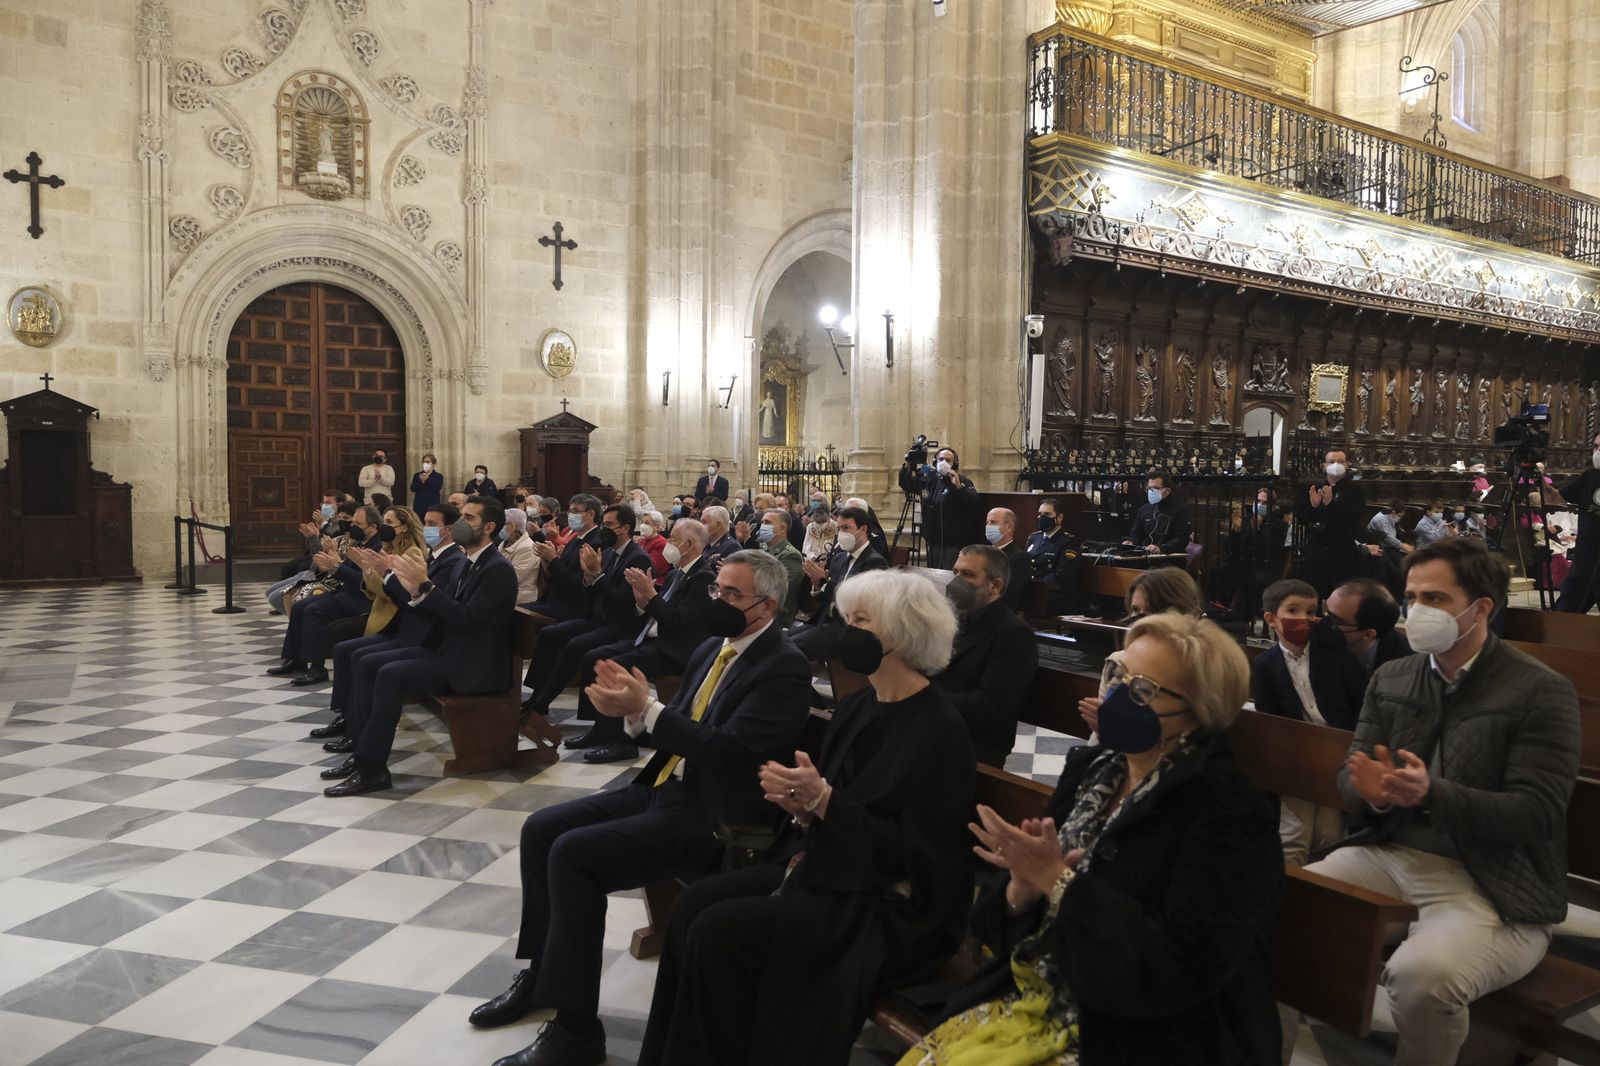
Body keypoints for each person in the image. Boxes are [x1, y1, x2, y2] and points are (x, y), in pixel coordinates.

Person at [470, 551, 811, 1066]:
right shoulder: (715, 648)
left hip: (718, 818)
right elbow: (678, 721)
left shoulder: (783, 666)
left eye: (731, 595)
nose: (717, 600)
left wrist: (646, 709)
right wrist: (635, 716)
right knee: (541, 828)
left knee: (575, 855)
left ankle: (577, 1033)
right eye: (716, 589)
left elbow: (729, 753)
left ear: (766, 607)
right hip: (666, 787)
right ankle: (543, 976)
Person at [902, 612, 1283, 1065]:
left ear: (1197, 712)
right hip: (1039, 992)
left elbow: (1183, 969)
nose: (1119, 694)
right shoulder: (1094, 770)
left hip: (1142, 1034)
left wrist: (1059, 882)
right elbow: (999, 930)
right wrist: (1019, 893)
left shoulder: (1229, 811)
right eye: (1119, 674)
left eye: (1143, 689)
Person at [637, 570, 976, 1066]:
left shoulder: (940, 731)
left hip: (888, 903)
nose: (845, 633)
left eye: (861, 621)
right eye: (846, 619)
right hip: (830, 866)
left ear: (903, 633)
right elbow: (831, 806)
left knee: (720, 931)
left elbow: (916, 854)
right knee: (694, 908)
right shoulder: (860, 704)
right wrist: (802, 806)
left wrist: (823, 804)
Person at [1303, 538, 1580, 1066]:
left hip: (1492, 881)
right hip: (1390, 854)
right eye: (1411, 597)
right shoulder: (1393, 676)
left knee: (1420, 978)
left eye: (1435, 598)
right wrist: (1372, 792)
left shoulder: (1539, 690)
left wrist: (1434, 793)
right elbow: (1352, 774)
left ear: (1481, 609)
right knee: (1279, 908)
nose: (1417, 612)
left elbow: (1537, 814)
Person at [323, 496, 518, 795]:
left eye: (469, 518)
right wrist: (415, 590)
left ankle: (373, 768)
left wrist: (424, 588)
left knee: (390, 673)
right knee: (367, 661)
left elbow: (467, 621)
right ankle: (361, 752)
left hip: (472, 664)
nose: (461, 524)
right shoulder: (468, 561)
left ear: (489, 527)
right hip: (449, 650)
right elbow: (441, 610)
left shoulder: (497, 569)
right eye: (462, 517)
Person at [564, 518, 722, 764]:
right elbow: (655, 614)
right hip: (654, 641)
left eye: (672, 539)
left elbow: (677, 621)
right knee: (595, 656)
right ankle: (601, 729)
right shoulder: (676, 574)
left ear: (688, 544)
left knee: (617, 666)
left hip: (676, 650)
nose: (669, 544)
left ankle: (623, 743)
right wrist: (642, 602)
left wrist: (650, 596)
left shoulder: (703, 578)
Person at [310, 503, 467, 744]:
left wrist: (379, 572)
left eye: (432, 525)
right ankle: (348, 719)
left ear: (449, 530)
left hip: (404, 626)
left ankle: (358, 732)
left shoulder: (424, 555)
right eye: (425, 523)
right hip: (396, 619)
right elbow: (382, 592)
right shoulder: (422, 555)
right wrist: (370, 569)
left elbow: (408, 598)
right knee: (345, 648)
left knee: (362, 657)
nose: (427, 529)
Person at [520, 503, 653, 719]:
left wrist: (597, 575)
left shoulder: (637, 557)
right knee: (549, 634)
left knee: (576, 645)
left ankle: (542, 703)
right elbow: (591, 589)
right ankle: (536, 693)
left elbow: (623, 602)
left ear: (625, 528)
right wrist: (589, 575)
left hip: (619, 625)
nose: (604, 529)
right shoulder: (609, 553)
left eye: (610, 525)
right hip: (596, 617)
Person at [936, 545, 1039, 766]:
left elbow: (992, 706)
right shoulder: (952, 621)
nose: (956, 582)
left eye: (967, 575)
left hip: (974, 744)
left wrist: (926, 701)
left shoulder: (1014, 634)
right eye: (955, 573)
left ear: (995, 586)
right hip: (937, 730)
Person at [269, 506, 384, 684]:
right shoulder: (360, 542)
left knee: (313, 611)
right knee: (300, 605)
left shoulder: (377, 547)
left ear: (373, 527)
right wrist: (334, 563)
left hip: (360, 600)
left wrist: (336, 565)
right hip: (345, 592)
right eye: (352, 522)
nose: (352, 526)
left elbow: (363, 582)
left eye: (357, 523)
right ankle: (296, 660)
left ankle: (317, 668)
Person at [792, 506, 889, 659]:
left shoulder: (875, 562)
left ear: (863, 529)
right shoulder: (839, 558)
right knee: (781, 641)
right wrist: (817, 586)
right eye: (839, 528)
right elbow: (826, 597)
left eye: (846, 528)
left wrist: (824, 582)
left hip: (848, 628)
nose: (841, 533)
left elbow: (856, 604)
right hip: (825, 619)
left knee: (791, 648)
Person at [520, 493, 605, 624]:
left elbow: (578, 584)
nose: (571, 515)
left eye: (575, 511)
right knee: (516, 610)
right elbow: (557, 576)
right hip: (555, 599)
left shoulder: (594, 543)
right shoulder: (576, 539)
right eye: (570, 511)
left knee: (520, 615)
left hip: (572, 606)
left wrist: (553, 560)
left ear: (591, 514)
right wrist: (547, 562)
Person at [1296, 447, 1365, 598]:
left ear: (1347, 465)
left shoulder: (1355, 491)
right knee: (1315, 592)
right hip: (1317, 548)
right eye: (1332, 461)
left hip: (1342, 549)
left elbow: (1353, 520)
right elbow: (1301, 519)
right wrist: (1313, 507)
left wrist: (1331, 504)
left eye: (1340, 461)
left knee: (1341, 594)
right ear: (1324, 465)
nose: (1336, 465)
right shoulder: (1315, 488)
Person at [898, 445, 983, 568]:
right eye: (941, 459)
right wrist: (909, 464)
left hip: (953, 543)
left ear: (954, 464)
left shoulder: (962, 481)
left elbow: (974, 503)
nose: (943, 462)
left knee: (948, 575)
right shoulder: (929, 481)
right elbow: (906, 484)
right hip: (933, 541)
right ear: (935, 461)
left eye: (948, 460)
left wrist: (959, 487)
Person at [1324, 577, 1411, 679]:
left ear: (1368, 634)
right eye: (1325, 609)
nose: (1323, 621)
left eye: (1335, 620)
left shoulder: (1404, 668)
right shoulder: (1316, 644)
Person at [1553, 430, 1600, 613]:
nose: (1597, 452)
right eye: (1595, 447)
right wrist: (1538, 480)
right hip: (1584, 563)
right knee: (1562, 618)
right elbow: (1558, 497)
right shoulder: (1590, 476)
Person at [1026, 496, 1079, 615]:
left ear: (1059, 518)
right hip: (1034, 590)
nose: (1041, 518)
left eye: (1047, 514)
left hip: (1054, 593)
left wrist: (1035, 587)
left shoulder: (1068, 542)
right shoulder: (1034, 538)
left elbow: (1062, 576)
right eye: (1040, 514)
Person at [1123, 469, 1190, 555]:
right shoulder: (1143, 510)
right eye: (1149, 488)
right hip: (1143, 558)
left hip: (1168, 560)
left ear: (1167, 491)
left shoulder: (1180, 510)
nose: (1151, 492)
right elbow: (1136, 535)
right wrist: (1131, 543)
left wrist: (1160, 549)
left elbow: (1181, 539)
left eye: (1155, 488)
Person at [758, 508, 805, 625]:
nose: (762, 526)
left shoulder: (790, 555)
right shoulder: (764, 549)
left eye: (767, 523)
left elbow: (779, 593)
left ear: (782, 528)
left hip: (774, 617)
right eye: (762, 522)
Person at [984, 506, 1032, 611]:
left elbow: (1009, 595)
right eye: (987, 523)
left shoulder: (1019, 557)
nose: (988, 526)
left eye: (993, 522)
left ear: (1009, 527)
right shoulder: (983, 553)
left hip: (998, 612)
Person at [500, 506, 544, 604]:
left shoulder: (527, 547)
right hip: (504, 593)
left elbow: (512, 578)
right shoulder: (504, 543)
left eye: (502, 524)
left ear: (513, 526)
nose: (499, 527)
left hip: (519, 598)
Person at [635, 509, 671, 581]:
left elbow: (653, 568)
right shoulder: (641, 541)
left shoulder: (661, 543)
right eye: (642, 522)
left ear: (657, 527)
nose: (642, 525)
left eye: (647, 523)